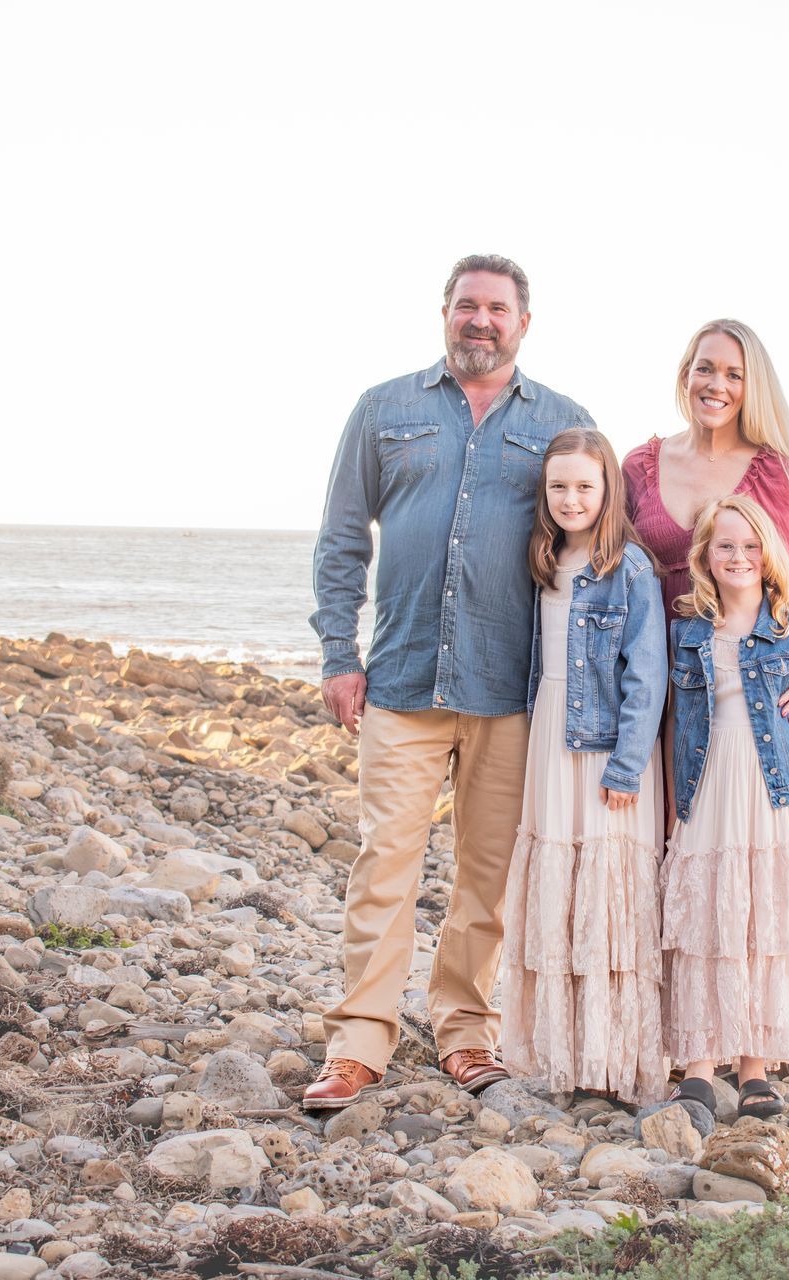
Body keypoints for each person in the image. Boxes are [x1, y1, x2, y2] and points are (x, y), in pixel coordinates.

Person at [306, 255, 595, 1111]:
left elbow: (598, 553)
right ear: (444, 314)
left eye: (497, 309)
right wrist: (337, 654)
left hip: (514, 690)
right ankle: (360, 1043)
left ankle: (465, 1033)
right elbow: (341, 541)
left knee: (486, 875)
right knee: (384, 864)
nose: (481, 320)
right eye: (467, 305)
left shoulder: (565, 423)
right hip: (400, 680)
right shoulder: (383, 410)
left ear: (523, 324)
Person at [499, 428, 669, 1105]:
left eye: (585, 486)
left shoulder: (629, 568)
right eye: (559, 486)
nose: (572, 499)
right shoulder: (544, 558)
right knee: (558, 886)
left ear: (608, 492)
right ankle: (558, 1053)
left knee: (606, 890)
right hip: (549, 732)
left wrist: (627, 766)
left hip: (603, 745)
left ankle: (612, 1058)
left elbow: (647, 675)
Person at [660, 495, 789, 1122]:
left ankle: (756, 1068)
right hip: (707, 793)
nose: (737, 557)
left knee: (763, 924)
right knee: (708, 920)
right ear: (705, 557)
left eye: (750, 547)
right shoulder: (685, 632)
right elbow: (670, 720)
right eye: (725, 546)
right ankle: (701, 1065)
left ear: (767, 557)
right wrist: (668, 805)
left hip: (772, 798)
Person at [622, 319, 789, 659]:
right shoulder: (639, 467)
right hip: (654, 681)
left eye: (734, 375)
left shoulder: (782, 475)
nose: (716, 385)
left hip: (750, 685)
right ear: (686, 376)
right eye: (705, 369)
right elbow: (609, 570)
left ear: (752, 387)